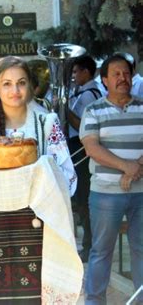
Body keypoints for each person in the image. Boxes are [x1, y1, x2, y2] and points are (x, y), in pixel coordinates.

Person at [0, 56, 81, 304]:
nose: (15, 90)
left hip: (36, 225)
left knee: (34, 297)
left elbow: (70, 178)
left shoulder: (46, 123)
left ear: (30, 85)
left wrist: (43, 171)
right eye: (7, 84)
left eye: (21, 83)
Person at [80, 53, 143, 304]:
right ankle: (95, 301)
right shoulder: (93, 110)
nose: (122, 78)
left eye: (126, 73)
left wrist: (135, 169)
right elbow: (91, 148)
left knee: (141, 250)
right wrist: (126, 166)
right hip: (106, 194)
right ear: (104, 80)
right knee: (101, 251)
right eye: (116, 74)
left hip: (141, 192)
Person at [68, 55, 102, 263]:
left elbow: (83, 125)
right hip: (75, 146)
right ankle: (88, 243)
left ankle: (90, 245)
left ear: (86, 72)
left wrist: (63, 110)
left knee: (84, 198)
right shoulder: (80, 93)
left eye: (75, 72)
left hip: (82, 147)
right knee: (80, 199)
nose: (72, 76)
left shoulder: (90, 95)